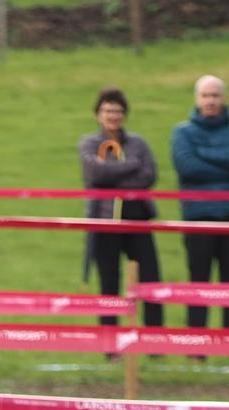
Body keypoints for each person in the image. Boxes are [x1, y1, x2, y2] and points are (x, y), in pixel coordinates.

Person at [170, 74, 229, 362]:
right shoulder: (182, 132)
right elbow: (187, 166)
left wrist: (205, 155)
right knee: (199, 282)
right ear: (197, 99)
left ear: (224, 98)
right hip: (198, 218)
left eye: (215, 95)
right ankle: (197, 348)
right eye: (206, 96)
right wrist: (225, 160)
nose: (210, 101)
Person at [77, 87, 164, 335]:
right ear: (98, 114)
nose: (112, 116)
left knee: (150, 282)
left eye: (117, 111)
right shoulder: (89, 143)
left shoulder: (138, 143)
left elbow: (148, 176)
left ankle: (154, 340)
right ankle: (110, 342)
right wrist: (130, 167)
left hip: (138, 220)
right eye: (107, 110)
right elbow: (96, 173)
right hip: (104, 222)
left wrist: (114, 175)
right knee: (108, 284)